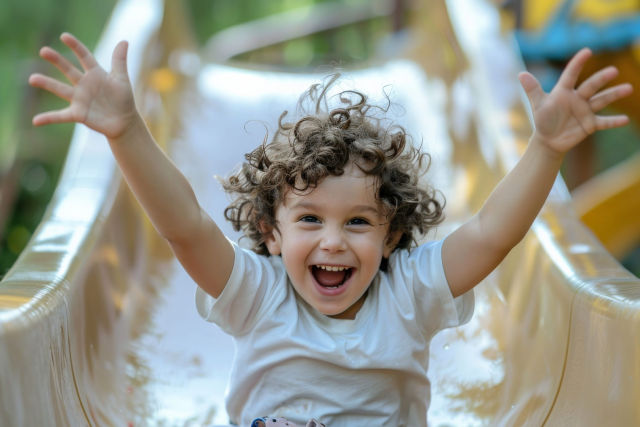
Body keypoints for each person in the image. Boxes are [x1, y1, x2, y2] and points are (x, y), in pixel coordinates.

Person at [28, 33, 632, 427]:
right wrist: (127, 131)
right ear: (271, 233)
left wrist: (546, 150)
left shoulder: (412, 291)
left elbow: (495, 232)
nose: (334, 240)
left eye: (360, 222)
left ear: (392, 236)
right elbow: (184, 226)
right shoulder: (257, 294)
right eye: (309, 219)